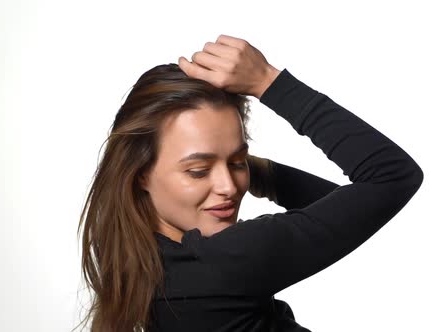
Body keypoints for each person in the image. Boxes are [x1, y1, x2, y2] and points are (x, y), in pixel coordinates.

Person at [74, 34, 424, 332]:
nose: (229, 186)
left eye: (237, 162)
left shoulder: (140, 261)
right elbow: (391, 175)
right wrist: (268, 82)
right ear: (141, 174)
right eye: (198, 170)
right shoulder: (228, 260)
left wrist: (247, 169)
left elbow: (344, 209)